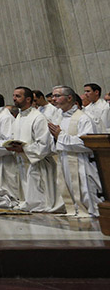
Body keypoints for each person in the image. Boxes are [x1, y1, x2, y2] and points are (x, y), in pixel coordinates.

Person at [7, 86, 63, 213]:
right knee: (27, 192)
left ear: (28, 99)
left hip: (38, 162)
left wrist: (24, 148)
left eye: (18, 96)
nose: (14, 99)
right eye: (14, 96)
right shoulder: (19, 117)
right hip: (23, 160)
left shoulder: (38, 117)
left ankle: (41, 204)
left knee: (41, 199)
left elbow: (44, 144)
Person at [49, 85, 101, 218]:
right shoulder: (59, 117)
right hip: (64, 157)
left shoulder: (83, 118)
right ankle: (75, 209)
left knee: (84, 189)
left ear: (69, 97)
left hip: (81, 160)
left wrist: (61, 136)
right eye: (53, 96)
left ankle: (91, 212)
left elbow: (87, 143)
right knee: (67, 186)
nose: (53, 99)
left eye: (57, 96)